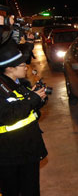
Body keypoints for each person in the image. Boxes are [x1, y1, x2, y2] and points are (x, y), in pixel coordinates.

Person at [0, 41, 48, 196]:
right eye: (21, 65)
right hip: (10, 154)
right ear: (9, 68)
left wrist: (38, 98)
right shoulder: (2, 89)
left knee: (31, 189)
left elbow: (28, 110)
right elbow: (9, 116)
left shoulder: (19, 83)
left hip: (27, 150)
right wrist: (32, 100)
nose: (26, 67)